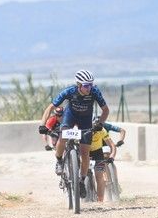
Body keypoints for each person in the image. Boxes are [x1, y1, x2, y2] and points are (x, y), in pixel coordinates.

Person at [39, 70, 110, 198]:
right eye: (86, 85)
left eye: (91, 85)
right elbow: (50, 108)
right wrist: (43, 125)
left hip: (85, 121)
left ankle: (82, 180)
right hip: (70, 117)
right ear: (79, 85)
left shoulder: (94, 92)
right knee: (63, 137)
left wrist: (100, 123)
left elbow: (105, 110)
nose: (89, 88)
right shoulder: (69, 91)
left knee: (85, 154)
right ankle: (59, 161)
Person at [89, 117, 117, 202]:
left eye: (97, 130)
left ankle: (100, 201)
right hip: (86, 151)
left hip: (98, 153)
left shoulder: (102, 130)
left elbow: (112, 145)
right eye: (94, 130)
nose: (95, 132)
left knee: (99, 177)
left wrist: (112, 156)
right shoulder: (84, 129)